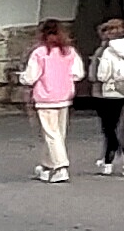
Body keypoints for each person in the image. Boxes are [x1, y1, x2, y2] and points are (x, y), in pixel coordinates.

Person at [85, 15, 124, 175]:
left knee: (111, 127)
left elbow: (102, 74)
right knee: (120, 124)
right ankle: (109, 159)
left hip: (107, 92)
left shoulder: (107, 50)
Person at [21, 19, 82, 181]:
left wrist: (22, 78)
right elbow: (78, 73)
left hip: (45, 97)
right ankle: (47, 165)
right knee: (58, 133)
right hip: (64, 96)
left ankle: (60, 166)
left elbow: (30, 76)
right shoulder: (69, 51)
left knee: (50, 133)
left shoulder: (40, 53)